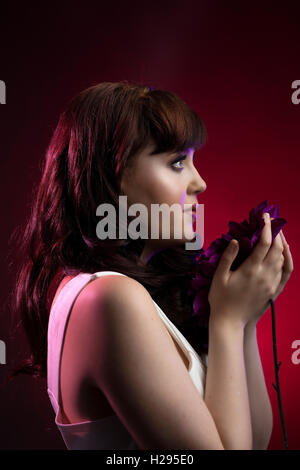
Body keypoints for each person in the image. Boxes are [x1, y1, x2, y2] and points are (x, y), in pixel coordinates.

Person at [8, 81, 293, 450]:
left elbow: (253, 441)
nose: (200, 183)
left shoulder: (141, 295)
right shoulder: (107, 298)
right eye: (177, 162)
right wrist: (227, 320)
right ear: (115, 177)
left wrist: (245, 319)